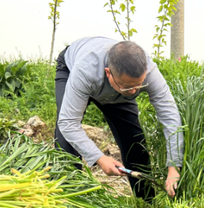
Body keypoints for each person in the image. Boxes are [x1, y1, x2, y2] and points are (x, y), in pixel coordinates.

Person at [54, 37, 184, 199]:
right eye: (129, 87)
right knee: (65, 141)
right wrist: (100, 158)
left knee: (134, 141)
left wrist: (174, 166)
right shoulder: (85, 70)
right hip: (72, 68)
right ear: (108, 73)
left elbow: (170, 115)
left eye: (139, 86)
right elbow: (68, 123)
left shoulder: (149, 72)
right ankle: (69, 199)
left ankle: (146, 201)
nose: (134, 92)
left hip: (115, 87)